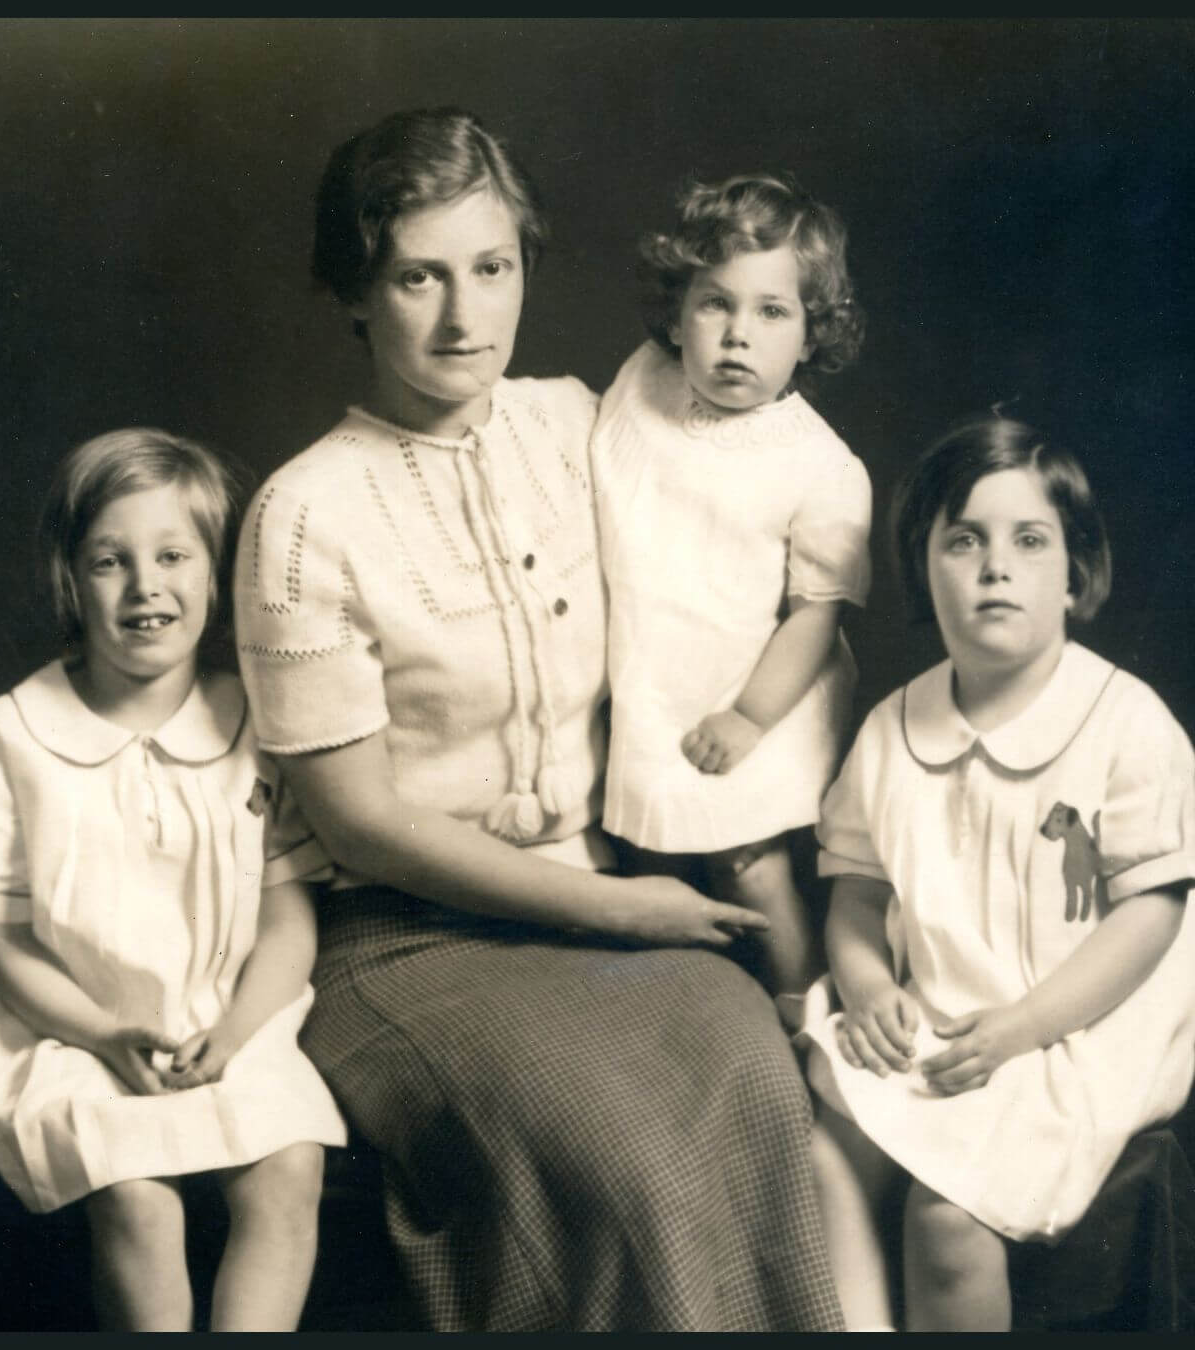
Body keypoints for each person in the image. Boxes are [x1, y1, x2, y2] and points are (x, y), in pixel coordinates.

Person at [233, 106, 844, 1331]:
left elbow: (768, 497)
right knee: (627, 1167)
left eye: (494, 267)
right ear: (355, 291)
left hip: (622, 890)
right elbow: (359, 825)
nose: (467, 318)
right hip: (406, 942)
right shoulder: (302, 518)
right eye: (420, 276)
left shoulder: (586, 421)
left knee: (767, 1096)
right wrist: (622, 905)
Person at [0, 428, 346, 1331]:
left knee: (290, 1168)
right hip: (64, 1027)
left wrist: (233, 1034)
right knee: (138, 1197)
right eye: (112, 560)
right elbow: (0, 939)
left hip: (222, 1017)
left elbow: (285, 918)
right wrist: (107, 1033)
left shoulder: (250, 720)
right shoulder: (16, 734)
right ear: (73, 582)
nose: (147, 585)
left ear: (214, 571)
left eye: (173, 555)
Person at [800, 412, 1195, 1331]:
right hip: (943, 1009)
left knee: (947, 1218)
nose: (996, 567)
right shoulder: (891, 731)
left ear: (1077, 573)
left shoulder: (1124, 722)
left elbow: (1150, 919)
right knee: (831, 1152)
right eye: (964, 542)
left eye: (1029, 541)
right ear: (926, 569)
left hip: (1073, 1028)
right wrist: (866, 982)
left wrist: (1025, 1026)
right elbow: (859, 892)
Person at [589, 172, 872, 1018]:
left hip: (755, 687)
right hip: (655, 670)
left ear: (811, 334)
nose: (737, 337)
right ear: (676, 315)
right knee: (651, 857)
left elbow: (815, 614)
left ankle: (800, 1009)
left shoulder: (819, 466)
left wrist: (748, 716)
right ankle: (682, 1012)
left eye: (772, 313)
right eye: (715, 305)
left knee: (750, 860)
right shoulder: (641, 384)